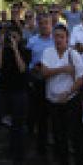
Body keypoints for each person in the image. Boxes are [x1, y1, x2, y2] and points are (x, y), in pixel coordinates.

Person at [41, 24, 83, 165]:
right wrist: (63, 69)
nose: (58, 39)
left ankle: (79, 161)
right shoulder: (48, 52)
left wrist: (68, 92)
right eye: (56, 36)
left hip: (70, 100)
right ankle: (62, 160)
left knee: (75, 135)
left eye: (61, 36)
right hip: (53, 101)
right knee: (58, 134)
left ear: (67, 38)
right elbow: (44, 72)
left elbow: (82, 77)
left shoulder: (73, 54)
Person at [0, 20, 31, 164]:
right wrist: (1, 46)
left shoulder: (25, 50)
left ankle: (18, 156)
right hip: (3, 89)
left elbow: (22, 68)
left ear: (20, 36)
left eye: (14, 36)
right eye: (9, 36)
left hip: (19, 91)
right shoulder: (1, 49)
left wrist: (15, 49)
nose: (12, 39)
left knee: (18, 125)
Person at [26, 13, 55, 157]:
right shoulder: (32, 41)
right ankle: (36, 148)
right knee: (35, 115)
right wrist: (33, 68)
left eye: (47, 23)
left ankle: (52, 148)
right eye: (41, 23)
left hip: (53, 81)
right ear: (38, 24)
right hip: (37, 82)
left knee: (52, 117)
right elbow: (27, 62)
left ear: (51, 24)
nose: (44, 26)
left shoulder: (56, 40)